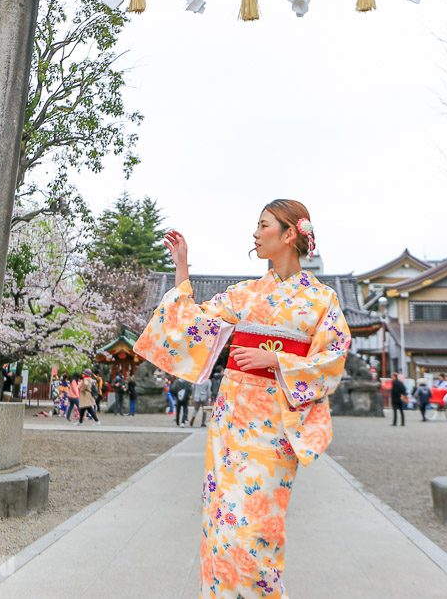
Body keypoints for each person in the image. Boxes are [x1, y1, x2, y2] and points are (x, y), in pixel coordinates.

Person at [133, 199, 350, 597]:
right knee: (222, 524)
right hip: (231, 421)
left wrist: (277, 359)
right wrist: (183, 264)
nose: (254, 232)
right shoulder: (246, 293)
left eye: (263, 224)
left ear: (288, 234)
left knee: (257, 527)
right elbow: (193, 323)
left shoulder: (322, 301)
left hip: (276, 425)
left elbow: (333, 358)